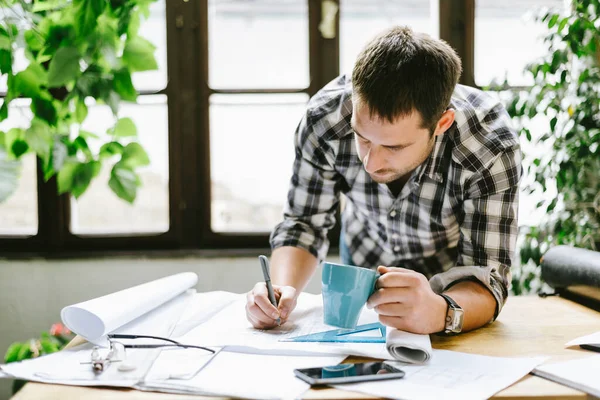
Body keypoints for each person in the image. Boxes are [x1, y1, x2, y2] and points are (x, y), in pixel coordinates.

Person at [245, 26, 522, 335]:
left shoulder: (489, 145)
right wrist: (281, 292)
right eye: (362, 138)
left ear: (441, 123)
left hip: (450, 279)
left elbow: (487, 276)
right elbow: (303, 225)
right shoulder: (324, 118)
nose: (370, 163)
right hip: (363, 253)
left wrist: (441, 311)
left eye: (394, 146)